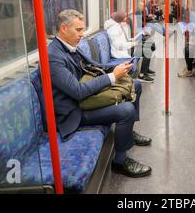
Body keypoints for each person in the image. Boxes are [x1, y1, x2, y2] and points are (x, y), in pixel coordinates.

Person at [48, 9, 152, 178]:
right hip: (74, 111)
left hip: (86, 98)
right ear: (64, 29)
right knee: (125, 111)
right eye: (78, 30)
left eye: (83, 29)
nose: (82, 34)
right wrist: (112, 77)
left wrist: (117, 68)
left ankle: (129, 130)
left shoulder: (71, 46)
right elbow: (77, 91)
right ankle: (120, 161)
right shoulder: (53, 56)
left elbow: (93, 65)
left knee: (136, 85)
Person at [104, 11, 155, 83]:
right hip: (120, 55)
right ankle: (142, 74)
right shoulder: (113, 30)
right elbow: (119, 46)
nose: (125, 23)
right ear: (119, 20)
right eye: (123, 21)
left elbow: (126, 40)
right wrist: (133, 44)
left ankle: (145, 70)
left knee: (148, 46)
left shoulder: (118, 27)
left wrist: (135, 39)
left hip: (125, 51)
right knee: (147, 50)